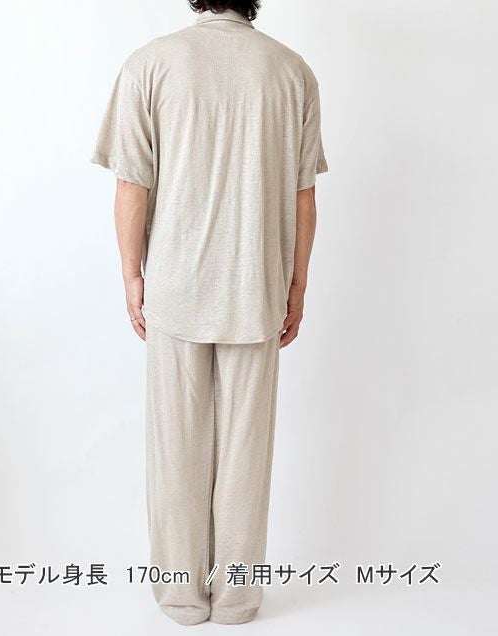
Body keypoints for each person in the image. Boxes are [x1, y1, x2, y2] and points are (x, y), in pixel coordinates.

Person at [90, 0, 328, 625]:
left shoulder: (151, 64)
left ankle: (180, 596)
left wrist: (132, 274)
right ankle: (239, 598)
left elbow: (131, 185)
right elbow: (304, 195)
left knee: (176, 449)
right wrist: (297, 283)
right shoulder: (291, 71)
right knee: (247, 451)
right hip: (257, 286)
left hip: (175, 287)